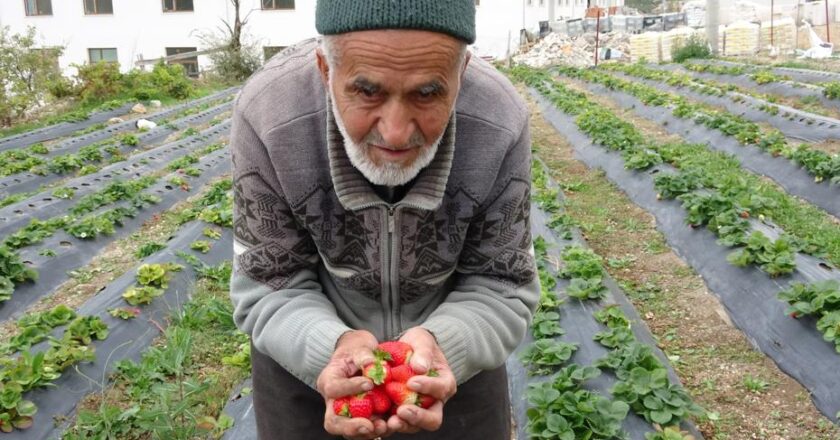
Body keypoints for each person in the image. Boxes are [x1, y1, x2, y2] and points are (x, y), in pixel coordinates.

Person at [229, 1, 539, 438]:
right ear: (325, 69)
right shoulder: (269, 115)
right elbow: (270, 280)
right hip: (307, 355)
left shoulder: (499, 120)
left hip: (450, 363)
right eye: (368, 91)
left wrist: (445, 345)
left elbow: (501, 281)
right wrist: (330, 350)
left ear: (461, 73)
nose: (395, 131)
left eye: (427, 93)